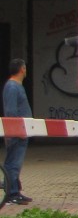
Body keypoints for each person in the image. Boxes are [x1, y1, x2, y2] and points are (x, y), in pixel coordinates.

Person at [2, 58, 32, 206]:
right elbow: (11, 111)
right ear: (22, 69)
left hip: (21, 131)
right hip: (17, 132)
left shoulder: (17, 86)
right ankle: (11, 194)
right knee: (13, 163)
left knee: (16, 163)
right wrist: (15, 129)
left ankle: (15, 191)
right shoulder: (12, 87)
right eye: (25, 68)